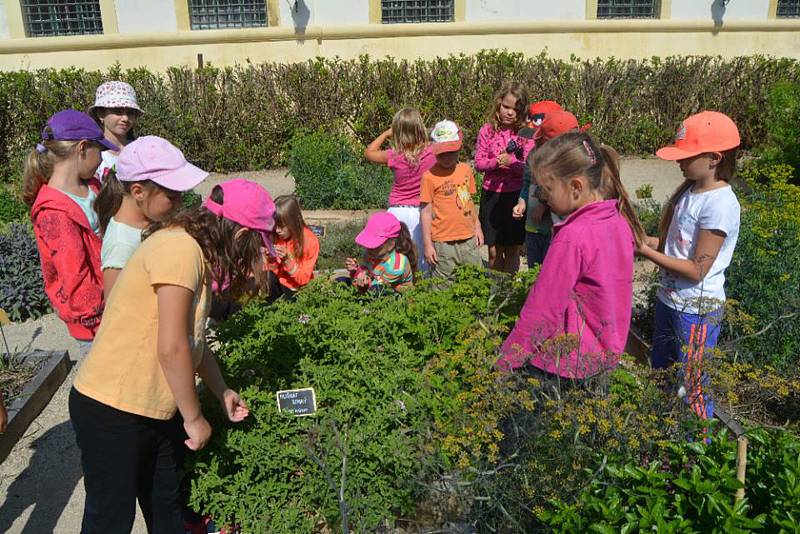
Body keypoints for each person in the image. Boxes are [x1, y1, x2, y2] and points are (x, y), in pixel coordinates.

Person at [70, 179, 272, 533]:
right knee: (109, 519)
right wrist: (194, 418)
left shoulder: (192, 250)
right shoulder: (181, 251)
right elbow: (172, 347)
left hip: (150, 406)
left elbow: (191, 339)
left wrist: (220, 389)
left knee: (167, 509)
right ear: (240, 237)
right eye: (257, 249)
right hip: (113, 406)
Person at [497, 132, 645, 379]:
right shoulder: (618, 221)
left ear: (576, 186)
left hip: (564, 365)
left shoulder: (573, 236)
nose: (542, 197)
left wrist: (508, 360)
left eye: (547, 189)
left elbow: (542, 307)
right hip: (602, 357)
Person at [637, 111, 741, 421]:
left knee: (693, 384)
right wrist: (643, 240)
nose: (679, 162)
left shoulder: (719, 204)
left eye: (687, 156)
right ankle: (664, 439)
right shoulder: (691, 192)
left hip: (695, 311)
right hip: (670, 301)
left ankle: (699, 451)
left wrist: (644, 251)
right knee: (663, 375)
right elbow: (673, 247)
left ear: (714, 158)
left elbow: (697, 269)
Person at [23, 109, 119, 356]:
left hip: (112, 302)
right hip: (95, 322)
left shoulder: (91, 188)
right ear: (83, 148)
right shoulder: (54, 212)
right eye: (100, 150)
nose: (101, 157)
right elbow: (74, 277)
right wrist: (100, 321)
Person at [94, 135, 209, 298]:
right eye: (171, 196)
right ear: (138, 192)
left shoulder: (149, 222)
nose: (180, 202)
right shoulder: (121, 245)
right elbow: (115, 312)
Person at [364, 108, 435, 270]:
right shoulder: (431, 153)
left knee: (394, 261)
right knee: (422, 260)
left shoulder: (393, 155)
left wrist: (385, 134)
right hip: (421, 211)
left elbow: (368, 152)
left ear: (397, 131)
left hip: (396, 213)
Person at [474, 81, 534, 273]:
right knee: (493, 250)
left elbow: (529, 168)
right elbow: (479, 163)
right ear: (499, 104)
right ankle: (496, 289)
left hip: (516, 196)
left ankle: (508, 292)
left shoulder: (526, 133)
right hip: (491, 195)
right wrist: (495, 163)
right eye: (506, 106)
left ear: (522, 111)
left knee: (512, 249)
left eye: (515, 109)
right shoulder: (488, 130)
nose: (509, 112)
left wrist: (512, 163)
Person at [513, 109, 584, 267]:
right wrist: (522, 202)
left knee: (553, 267)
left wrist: (543, 205)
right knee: (535, 269)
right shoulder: (534, 155)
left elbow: (560, 191)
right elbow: (527, 183)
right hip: (533, 225)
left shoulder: (573, 164)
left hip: (555, 228)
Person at [419, 120, 483, 278]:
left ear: (459, 148)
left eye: (451, 152)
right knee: (444, 285)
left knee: (475, 280)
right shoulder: (429, 177)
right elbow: (426, 212)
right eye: (442, 153)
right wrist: (427, 244)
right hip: (443, 242)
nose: (447, 157)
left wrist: (477, 226)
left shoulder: (466, 170)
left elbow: (468, 201)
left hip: (468, 238)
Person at [345, 212, 416, 293]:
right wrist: (356, 270)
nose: (369, 248)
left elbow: (377, 287)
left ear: (391, 244)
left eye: (374, 245)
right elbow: (367, 272)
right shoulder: (372, 254)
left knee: (376, 289)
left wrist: (362, 283)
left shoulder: (397, 264)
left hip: (399, 299)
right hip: (377, 289)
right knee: (342, 281)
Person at [266, 195, 320, 301]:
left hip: (298, 291)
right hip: (278, 287)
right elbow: (271, 273)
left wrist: (287, 260)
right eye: (275, 225)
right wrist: (270, 259)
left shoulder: (309, 240)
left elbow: (303, 280)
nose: (277, 230)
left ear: (293, 222)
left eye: (281, 226)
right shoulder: (275, 236)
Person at [89, 81, 143, 182]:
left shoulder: (141, 151)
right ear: (100, 114)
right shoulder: (92, 154)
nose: (125, 118)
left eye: (130, 113)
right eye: (118, 111)